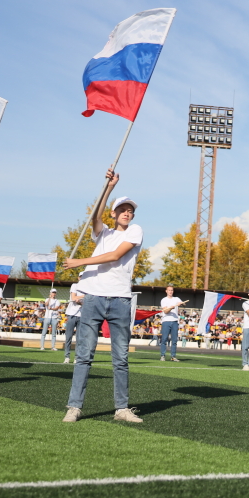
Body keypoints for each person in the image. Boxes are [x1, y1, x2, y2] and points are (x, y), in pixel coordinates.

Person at [60, 168, 144, 424]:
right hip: (93, 298)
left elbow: (115, 256)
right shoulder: (103, 232)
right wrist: (109, 187)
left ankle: (121, 409)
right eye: (123, 209)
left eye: (130, 210)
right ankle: (74, 407)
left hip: (120, 299)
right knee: (84, 355)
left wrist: (78, 262)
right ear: (114, 213)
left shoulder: (135, 231)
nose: (128, 213)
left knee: (121, 358)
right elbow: (95, 216)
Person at [63, 274, 85, 364]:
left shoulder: (88, 288)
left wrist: (80, 300)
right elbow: (73, 297)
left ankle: (77, 357)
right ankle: (67, 357)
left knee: (79, 338)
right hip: (72, 314)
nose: (82, 278)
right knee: (68, 337)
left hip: (82, 315)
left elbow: (86, 301)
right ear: (78, 277)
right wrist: (83, 297)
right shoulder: (74, 285)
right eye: (81, 276)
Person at [160, 285, 185, 362]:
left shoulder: (176, 299)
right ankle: (163, 355)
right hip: (166, 321)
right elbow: (166, 311)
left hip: (175, 321)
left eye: (172, 290)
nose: (170, 292)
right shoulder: (163, 300)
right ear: (166, 291)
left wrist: (182, 303)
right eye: (169, 290)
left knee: (174, 340)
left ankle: (173, 356)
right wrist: (171, 307)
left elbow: (184, 304)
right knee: (164, 339)